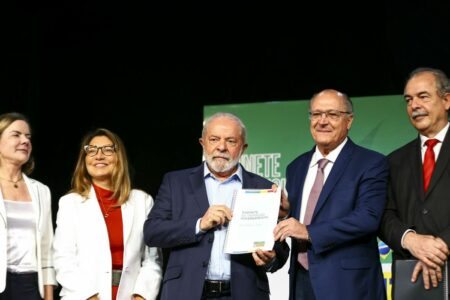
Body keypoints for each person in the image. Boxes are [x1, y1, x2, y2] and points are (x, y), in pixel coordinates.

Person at [143, 112, 289, 300]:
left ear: (243, 148)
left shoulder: (263, 187)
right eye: (214, 139)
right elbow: (152, 232)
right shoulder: (175, 182)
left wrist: (271, 258)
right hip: (186, 292)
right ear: (203, 143)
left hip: (245, 294)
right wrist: (199, 224)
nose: (221, 147)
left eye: (231, 141)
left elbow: (280, 253)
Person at [274, 89, 388, 300]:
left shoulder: (371, 163)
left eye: (332, 114)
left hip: (348, 285)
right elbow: (303, 219)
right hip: (301, 283)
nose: (322, 121)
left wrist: (309, 232)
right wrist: (285, 213)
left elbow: (367, 218)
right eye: (316, 114)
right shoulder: (296, 167)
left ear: (349, 120)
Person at [52, 128, 162, 300]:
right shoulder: (70, 203)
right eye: (92, 150)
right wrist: (90, 297)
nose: (99, 155)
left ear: (120, 158)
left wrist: (141, 295)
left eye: (108, 150)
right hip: (84, 296)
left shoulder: (143, 201)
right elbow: (63, 260)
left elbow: (152, 259)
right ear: (84, 159)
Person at [379, 67, 450, 293]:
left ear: (447, 100)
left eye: (423, 97)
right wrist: (411, 241)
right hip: (411, 280)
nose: (414, 106)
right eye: (408, 100)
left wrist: (437, 248)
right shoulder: (394, 161)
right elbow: (383, 215)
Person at [0, 112, 57, 299]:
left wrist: (48, 296)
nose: (25, 140)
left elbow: (47, 250)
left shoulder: (41, 191)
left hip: (30, 285)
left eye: (28, 137)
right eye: (16, 135)